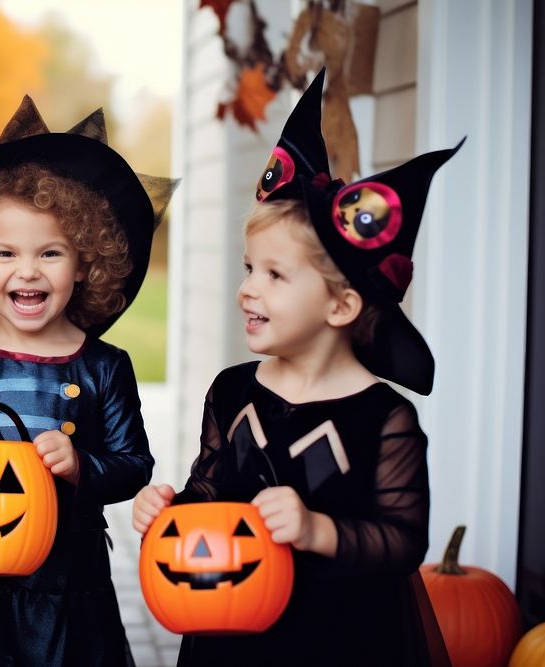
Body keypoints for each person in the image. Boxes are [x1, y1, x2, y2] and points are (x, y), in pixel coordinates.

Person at [132, 70, 459, 666]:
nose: (247, 290)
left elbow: (404, 540)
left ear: (341, 305)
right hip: (230, 626)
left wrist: (317, 532)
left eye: (274, 275)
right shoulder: (233, 392)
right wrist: (172, 508)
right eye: (248, 268)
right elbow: (212, 490)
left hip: (338, 638)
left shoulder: (385, 418)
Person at [0, 96, 177, 666]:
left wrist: (80, 464)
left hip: (69, 586)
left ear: (86, 261)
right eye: (5, 253)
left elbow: (132, 464)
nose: (27, 270)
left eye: (50, 252)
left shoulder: (103, 366)